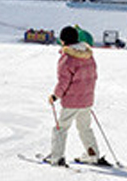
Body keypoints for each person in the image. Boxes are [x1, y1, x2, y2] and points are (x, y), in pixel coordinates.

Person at [44, 25, 107, 167]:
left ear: (63, 41)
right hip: (86, 101)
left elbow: (63, 82)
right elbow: (93, 77)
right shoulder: (88, 55)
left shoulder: (67, 59)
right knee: (85, 128)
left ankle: (57, 157)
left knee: (61, 128)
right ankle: (93, 155)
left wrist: (55, 96)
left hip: (72, 102)